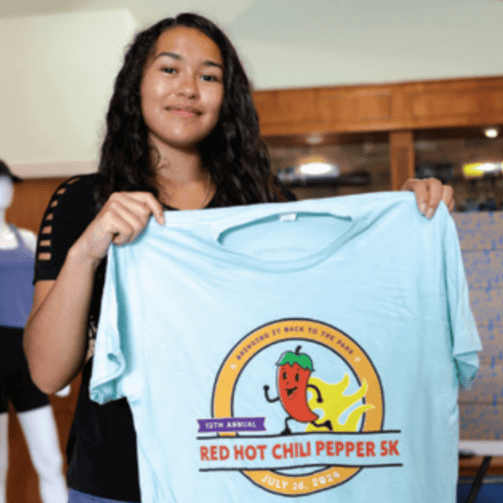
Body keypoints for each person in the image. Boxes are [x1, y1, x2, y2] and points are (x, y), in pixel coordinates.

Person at [23, 13, 454, 503]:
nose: (189, 88)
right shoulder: (86, 201)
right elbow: (46, 373)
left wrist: (403, 222)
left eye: (209, 77)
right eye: (170, 70)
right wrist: (88, 250)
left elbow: (327, 313)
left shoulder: (268, 206)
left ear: (227, 98)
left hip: (243, 473)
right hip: (120, 480)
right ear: (135, 85)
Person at [0, 160, 68, 503]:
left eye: (8, 182)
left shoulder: (26, 238)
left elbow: (43, 300)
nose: (6, 189)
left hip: (25, 354)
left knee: (51, 459)